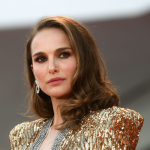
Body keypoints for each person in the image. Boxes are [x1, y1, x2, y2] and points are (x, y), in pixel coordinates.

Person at [9, 16, 144, 150]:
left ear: (84, 60)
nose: (52, 68)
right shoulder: (22, 136)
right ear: (33, 71)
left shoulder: (112, 122)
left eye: (63, 55)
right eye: (41, 59)